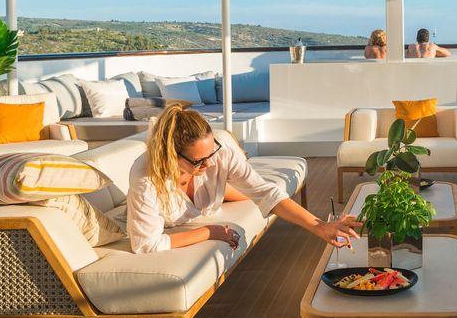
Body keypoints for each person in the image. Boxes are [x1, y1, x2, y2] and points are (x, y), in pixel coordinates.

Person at [127, 104, 360, 253]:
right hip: (190, 210)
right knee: (245, 195)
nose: (209, 164)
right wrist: (211, 231)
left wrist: (320, 226)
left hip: (208, 201)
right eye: (199, 161)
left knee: (255, 195)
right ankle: (228, 192)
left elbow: (266, 192)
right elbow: (147, 244)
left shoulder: (219, 155)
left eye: (211, 153)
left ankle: (227, 190)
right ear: (171, 154)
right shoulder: (146, 179)